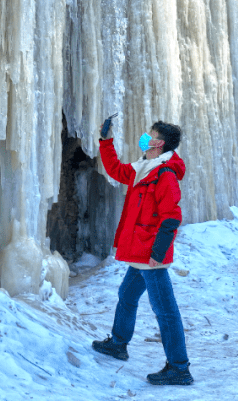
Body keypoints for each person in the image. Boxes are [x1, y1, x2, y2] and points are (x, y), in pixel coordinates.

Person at [91, 118, 193, 386]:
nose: (145, 138)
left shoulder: (165, 174)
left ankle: (179, 367)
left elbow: (172, 217)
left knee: (165, 310)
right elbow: (115, 169)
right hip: (139, 252)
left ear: (159, 144)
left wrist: (158, 254)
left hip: (151, 256)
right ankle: (118, 343)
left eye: (150, 135)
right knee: (127, 294)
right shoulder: (143, 168)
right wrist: (106, 141)